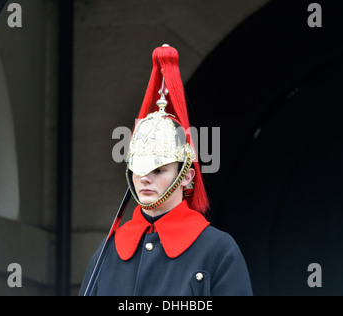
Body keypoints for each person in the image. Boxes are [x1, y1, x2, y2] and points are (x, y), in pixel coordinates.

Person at [79, 44, 253, 296]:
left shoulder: (217, 250)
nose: (145, 178)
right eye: (139, 167)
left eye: (159, 170)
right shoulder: (108, 250)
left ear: (187, 176)